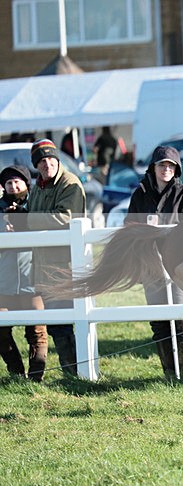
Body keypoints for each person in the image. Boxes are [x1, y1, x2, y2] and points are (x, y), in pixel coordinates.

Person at [125, 146, 183, 380]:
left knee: (182, 319)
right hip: (151, 265)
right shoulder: (140, 195)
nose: (166, 169)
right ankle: (169, 374)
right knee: (159, 321)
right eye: (162, 165)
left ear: (177, 169)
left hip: (180, 267)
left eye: (171, 165)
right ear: (153, 167)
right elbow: (129, 228)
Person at [27, 139, 86, 376]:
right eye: (42, 161)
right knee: (56, 324)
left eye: (51, 158)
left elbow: (65, 217)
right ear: (36, 165)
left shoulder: (69, 183)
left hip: (65, 266)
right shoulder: (38, 187)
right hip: (44, 267)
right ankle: (71, 373)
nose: (47, 164)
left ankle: (76, 374)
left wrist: (27, 220)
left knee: (65, 323)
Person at [0, 165, 48, 381]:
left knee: (37, 331)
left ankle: (36, 377)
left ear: (26, 184)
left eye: (17, 182)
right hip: (4, 282)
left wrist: (24, 222)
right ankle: (16, 373)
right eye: (9, 183)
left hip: (33, 280)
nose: (13, 186)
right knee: (1, 331)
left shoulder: (35, 208)